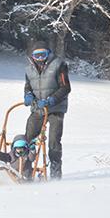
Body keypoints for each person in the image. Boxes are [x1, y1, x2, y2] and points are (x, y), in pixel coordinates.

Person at [22, 40, 70, 180]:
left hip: (55, 109)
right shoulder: (29, 69)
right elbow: (28, 86)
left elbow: (66, 87)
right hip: (38, 109)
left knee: (53, 142)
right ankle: (26, 171)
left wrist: (51, 100)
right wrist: (28, 95)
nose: (40, 59)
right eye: (37, 56)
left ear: (48, 54)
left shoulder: (59, 65)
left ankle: (55, 175)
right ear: (32, 56)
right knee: (28, 139)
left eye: (43, 55)